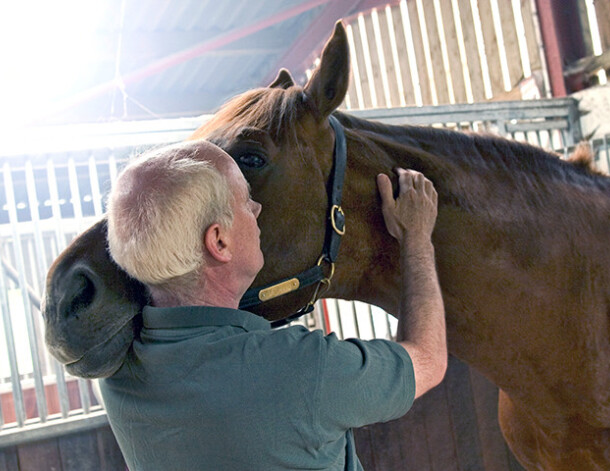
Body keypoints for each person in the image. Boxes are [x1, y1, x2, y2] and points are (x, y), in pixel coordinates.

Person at [100, 139, 447, 471]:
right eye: (246, 200)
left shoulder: (116, 377)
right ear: (219, 241)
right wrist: (416, 237)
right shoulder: (302, 369)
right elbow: (428, 360)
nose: (257, 208)